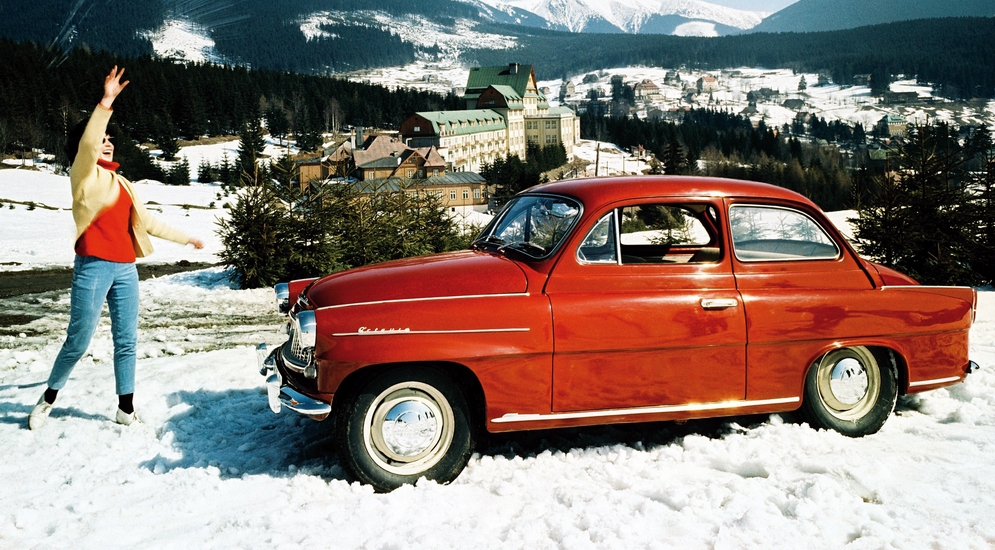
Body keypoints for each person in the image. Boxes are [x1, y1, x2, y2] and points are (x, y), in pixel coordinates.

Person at [28, 66, 204, 429]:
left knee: (126, 340)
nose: (107, 142)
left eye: (111, 138)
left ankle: (126, 409)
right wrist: (106, 102)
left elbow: (146, 222)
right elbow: (88, 143)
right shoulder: (83, 176)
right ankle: (48, 398)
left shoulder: (123, 183)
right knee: (78, 341)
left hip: (125, 269)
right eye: (102, 138)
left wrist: (186, 238)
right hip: (93, 267)